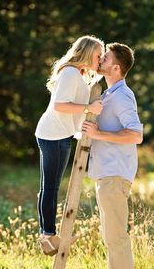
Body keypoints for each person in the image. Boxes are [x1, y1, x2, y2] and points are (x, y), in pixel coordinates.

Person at [82, 42, 143, 269]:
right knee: (111, 238)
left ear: (115, 67)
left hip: (115, 176)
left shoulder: (122, 97)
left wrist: (98, 135)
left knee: (117, 238)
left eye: (104, 57)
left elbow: (135, 135)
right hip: (106, 175)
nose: (100, 59)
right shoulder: (109, 94)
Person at [35, 35, 104, 256]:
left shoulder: (78, 74)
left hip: (58, 134)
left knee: (49, 186)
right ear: (86, 52)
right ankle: (48, 236)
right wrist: (88, 108)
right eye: (98, 55)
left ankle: (46, 238)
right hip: (54, 135)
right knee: (51, 187)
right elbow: (60, 106)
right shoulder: (70, 73)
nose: (100, 59)